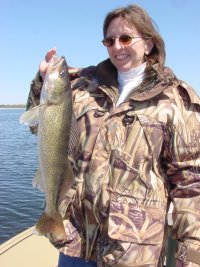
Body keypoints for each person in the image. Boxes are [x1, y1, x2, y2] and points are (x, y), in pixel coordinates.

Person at [26, 4, 200, 267]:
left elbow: (190, 183)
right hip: (76, 241)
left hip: (132, 251)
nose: (117, 46)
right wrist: (41, 81)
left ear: (149, 44)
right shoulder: (82, 86)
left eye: (126, 38)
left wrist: (190, 256)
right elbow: (38, 125)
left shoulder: (176, 99)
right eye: (110, 40)